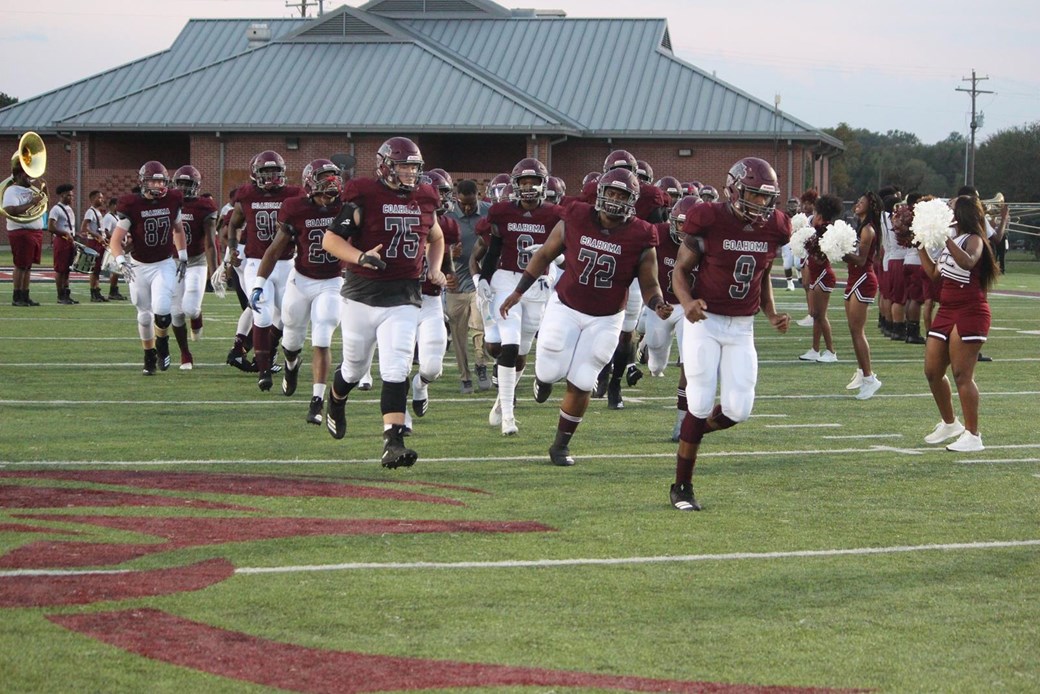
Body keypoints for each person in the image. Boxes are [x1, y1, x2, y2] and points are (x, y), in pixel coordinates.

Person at [498, 167, 670, 466]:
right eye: (612, 193)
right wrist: (519, 291)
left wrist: (657, 303)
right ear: (600, 193)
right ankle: (542, 379)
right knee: (551, 370)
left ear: (633, 201)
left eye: (623, 195)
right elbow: (545, 254)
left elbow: (650, 282)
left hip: (606, 317)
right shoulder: (576, 216)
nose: (616, 200)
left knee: (583, 378)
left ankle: (560, 445)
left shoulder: (641, 234)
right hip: (566, 305)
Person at [669, 157, 791, 511]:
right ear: (735, 189)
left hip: (742, 326)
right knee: (701, 400)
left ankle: (692, 435)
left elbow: (762, 274)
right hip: (705, 323)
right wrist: (687, 301)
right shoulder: (708, 218)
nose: (762, 205)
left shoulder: (775, 228)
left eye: (767, 198)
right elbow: (680, 269)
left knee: (739, 408)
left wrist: (771, 313)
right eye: (754, 196)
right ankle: (681, 486)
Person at [320, 136, 447, 469]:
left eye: (414, 167)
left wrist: (434, 267)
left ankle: (393, 441)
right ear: (386, 166)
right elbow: (330, 238)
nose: (410, 173)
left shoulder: (424, 197)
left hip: (403, 296)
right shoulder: (366, 194)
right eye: (404, 166)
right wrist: (360, 256)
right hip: (362, 296)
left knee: (397, 366)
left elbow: (436, 237)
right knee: (353, 369)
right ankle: (335, 399)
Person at [252, 158, 345, 425]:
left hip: (332, 281)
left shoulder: (344, 207)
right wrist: (259, 282)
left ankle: (316, 400)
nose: (331, 184)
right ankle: (291, 365)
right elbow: (275, 249)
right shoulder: (295, 208)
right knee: (291, 341)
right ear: (309, 183)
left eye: (333, 178)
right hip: (301, 281)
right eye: (324, 179)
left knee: (323, 335)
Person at [477, 157, 562, 435]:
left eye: (533, 182)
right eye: (523, 182)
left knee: (523, 352)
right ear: (515, 185)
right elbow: (493, 249)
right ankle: (509, 419)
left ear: (543, 184)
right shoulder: (501, 212)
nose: (528, 187)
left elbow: (566, 253)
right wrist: (484, 279)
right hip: (506, 280)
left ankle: (502, 402)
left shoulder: (554, 214)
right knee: (510, 344)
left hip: (537, 285)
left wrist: (555, 254)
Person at [917, 195, 1000, 452]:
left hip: (971, 310)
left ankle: (973, 435)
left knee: (962, 375)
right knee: (932, 371)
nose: (948, 214)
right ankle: (950, 423)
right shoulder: (950, 243)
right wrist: (919, 245)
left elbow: (967, 261)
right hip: (947, 309)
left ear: (961, 214)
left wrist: (945, 238)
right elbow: (934, 274)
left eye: (951, 210)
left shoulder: (975, 240)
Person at [228, 150, 304, 390]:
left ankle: (268, 354)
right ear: (255, 174)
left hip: (286, 263)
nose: (271, 177)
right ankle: (263, 371)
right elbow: (233, 225)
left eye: (275, 172)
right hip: (256, 263)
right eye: (266, 172)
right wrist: (232, 249)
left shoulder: (294, 194)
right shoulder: (247, 195)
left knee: (288, 316)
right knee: (261, 313)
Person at [108, 161, 188, 375]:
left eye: (161, 181)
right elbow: (115, 240)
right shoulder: (131, 204)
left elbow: (178, 229)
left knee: (162, 311)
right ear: (143, 182)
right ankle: (149, 357)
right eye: (153, 180)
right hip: (138, 266)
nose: (157, 185)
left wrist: (183, 255)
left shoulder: (173, 199)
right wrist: (120, 261)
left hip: (163, 263)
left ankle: (162, 346)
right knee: (144, 315)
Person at [645, 195, 699, 441]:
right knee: (657, 360)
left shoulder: (708, 244)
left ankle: (681, 422)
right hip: (660, 304)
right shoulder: (657, 234)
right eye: (680, 224)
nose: (685, 230)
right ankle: (648, 351)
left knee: (689, 360)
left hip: (689, 307)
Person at [409, 169, 458, 420]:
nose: (440, 199)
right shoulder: (403, 218)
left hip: (429, 300)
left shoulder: (447, 226)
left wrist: (445, 274)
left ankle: (421, 385)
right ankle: (398, 421)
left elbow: (445, 257)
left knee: (432, 367)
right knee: (397, 365)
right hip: (400, 299)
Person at [444, 178, 492, 393]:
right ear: (457, 199)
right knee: (458, 334)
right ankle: (465, 377)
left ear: (478, 197)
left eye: (471, 203)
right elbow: (433, 246)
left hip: (479, 280)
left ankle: (481, 365)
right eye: (463, 203)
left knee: (479, 327)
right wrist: (448, 253)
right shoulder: (448, 217)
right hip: (455, 281)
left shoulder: (488, 213)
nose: (467, 207)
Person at [170, 165, 218, 369]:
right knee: (175, 312)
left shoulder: (204, 206)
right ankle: (185, 354)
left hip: (196, 261)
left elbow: (209, 242)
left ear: (196, 186)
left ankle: (197, 316)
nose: (182, 187)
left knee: (190, 307)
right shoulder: (168, 203)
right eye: (179, 183)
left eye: (187, 184)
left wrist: (215, 271)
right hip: (172, 262)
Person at [843, 191, 883, 399]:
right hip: (853, 278)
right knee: (852, 329)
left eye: (862, 202)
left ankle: (870, 378)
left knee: (858, 331)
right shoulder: (860, 227)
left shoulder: (868, 230)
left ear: (871, 207)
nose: (857, 204)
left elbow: (860, 260)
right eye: (857, 201)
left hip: (863, 279)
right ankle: (862, 371)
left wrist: (838, 249)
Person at [797, 194, 841, 364]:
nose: (812, 217)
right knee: (816, 315)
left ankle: (831, 351)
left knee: (821, 316)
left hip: (824, 276)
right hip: (817, 276)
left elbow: (821, 258)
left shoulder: (825, 231)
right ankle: (815, 349)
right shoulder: (818, 231)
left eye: (815, 214)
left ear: (820, 216)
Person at [3, 159, 46, 307]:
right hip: (20, 231)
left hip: (35, 231)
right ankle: (17, 296)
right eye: (28, 175)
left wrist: (42, 196)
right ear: (21, 175)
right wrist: (33, 202)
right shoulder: (11, 191)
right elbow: (10, 210)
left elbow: (42, 205)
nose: (32, 178)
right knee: (21, 265)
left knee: (28, 266)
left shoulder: (31, 190)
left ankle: (25, 294)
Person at [48, 183, 78, 304]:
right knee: (60, 269)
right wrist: (65, 234)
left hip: (69, 240)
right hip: (61, 241)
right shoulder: (56, 209)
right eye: (69, 196)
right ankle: (60, 296)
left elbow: (68, 226)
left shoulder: (69, 209)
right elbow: (51, 227)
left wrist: (76, 234)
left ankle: (66, 294)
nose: (71, 198)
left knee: (67, 269)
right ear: (62, 195)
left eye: (72, 195)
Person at [80, 189, 109, 302]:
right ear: (92, 199)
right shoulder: (90, 212)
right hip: (93, 242)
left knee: (97, 269)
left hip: (99, 242)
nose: (101, 200)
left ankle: (97, 291)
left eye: (102, 198)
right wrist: (97, 235)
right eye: (99, 197)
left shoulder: (97, 212)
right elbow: (84, 228)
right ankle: (93, 292)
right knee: (93, 269)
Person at [794, 189, 818, 326]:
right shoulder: (807, 218)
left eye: (808, 203)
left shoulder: (817, 218)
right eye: (804, 203)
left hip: (812, 255)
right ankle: (810, 312)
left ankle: (812, 314)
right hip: (805, 253)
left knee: (809, 284)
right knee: (805, 284)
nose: (805, 206)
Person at [100, 196, 127, 301]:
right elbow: (106, 231)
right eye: (117, 205)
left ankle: (114, 289)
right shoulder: (108, 217)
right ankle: (112, 291)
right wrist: (116, 240)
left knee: (117, 270)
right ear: (112, 205)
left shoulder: (117, 216)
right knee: (114, 269)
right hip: (114, 246)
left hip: (119, 245)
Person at [780, 197, 801, 291]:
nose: (792, 207)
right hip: (787, 242)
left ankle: (799, 274)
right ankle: (790, 284)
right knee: (787, 265)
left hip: (798, 242)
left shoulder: (801, 217)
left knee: (797, 264)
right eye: (791, 205)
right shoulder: (783, 217)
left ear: (798, 207)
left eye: (794, 205)